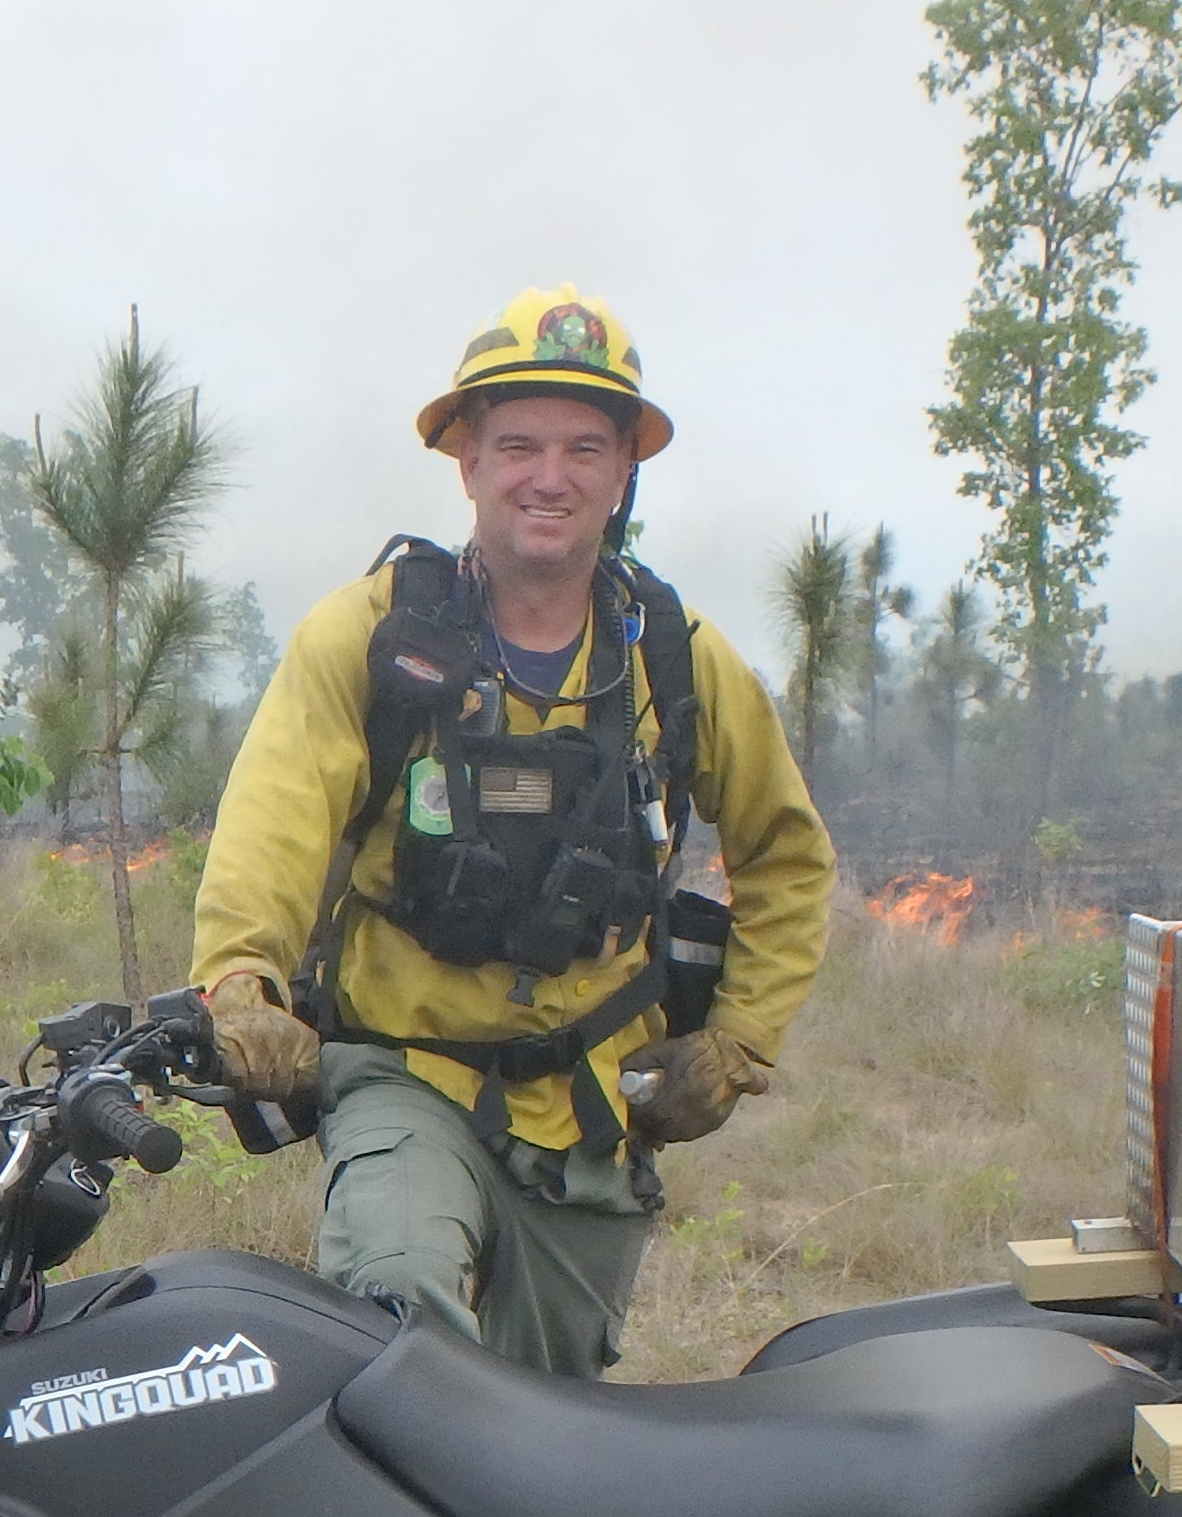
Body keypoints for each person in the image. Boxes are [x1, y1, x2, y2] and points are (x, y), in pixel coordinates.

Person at [187, 286, 833, 1376]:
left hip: (590, 1100)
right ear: (467, 461)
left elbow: (786, 854)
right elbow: (274, 824)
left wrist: (737, 1042)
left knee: (551, 1422)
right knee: (397, 1326)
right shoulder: (372, 639)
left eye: (587, 447)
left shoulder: (674, 658)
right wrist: (240, 986)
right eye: (520, 443)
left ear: (625, 473)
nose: (552, 476)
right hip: (404, 1073)